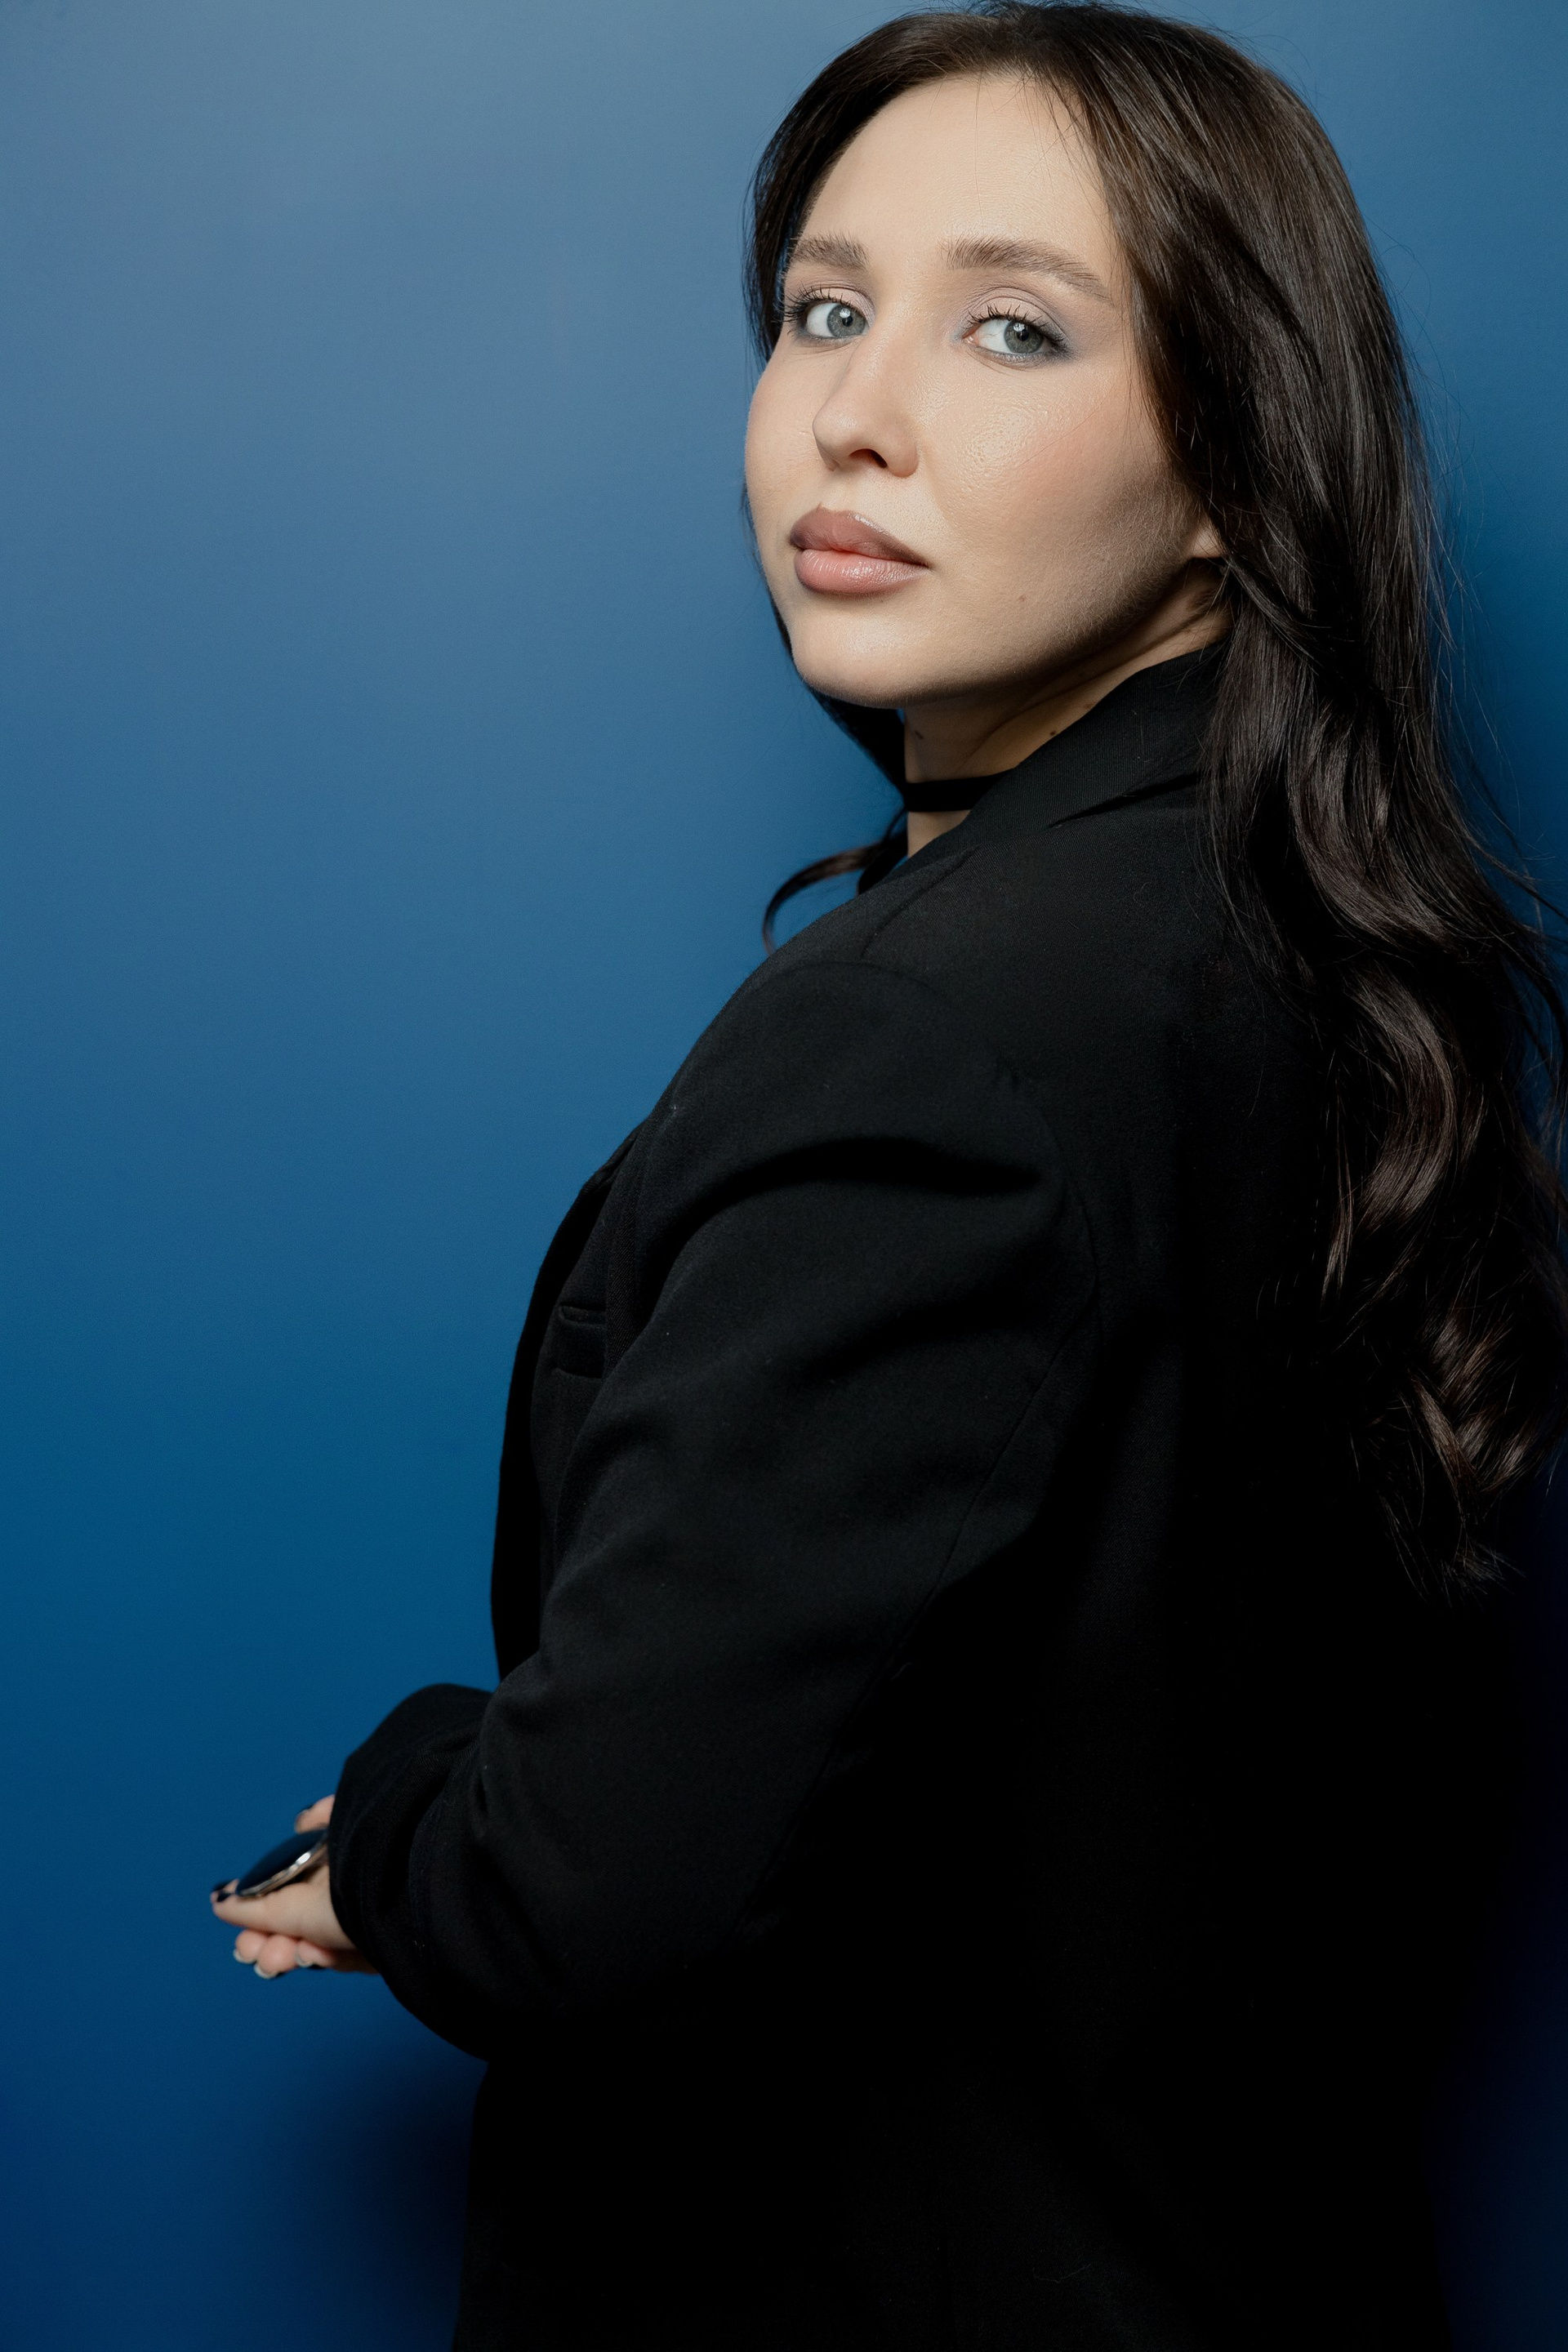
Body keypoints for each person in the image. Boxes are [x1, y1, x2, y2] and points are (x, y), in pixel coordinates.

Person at [211, 7, 1568, 2345]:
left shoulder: (929, 1040)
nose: (853, 411)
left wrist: (422, 1802)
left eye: (1014, 328)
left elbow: (591, 1882)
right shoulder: (1295, 956)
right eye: (823, 310)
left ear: (1240, 464)